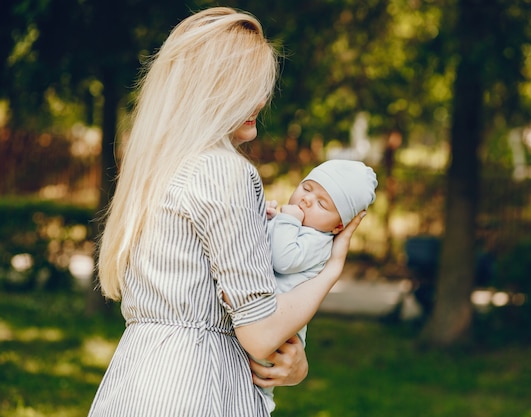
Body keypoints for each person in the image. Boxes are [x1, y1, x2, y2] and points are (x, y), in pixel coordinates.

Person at [88, 7, 365, 417]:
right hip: (198, 388)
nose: (262, 100)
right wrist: (330, 269)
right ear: (213, 92)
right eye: (248, 87)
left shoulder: (156, 168)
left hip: (133, 382)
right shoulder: (224, 171)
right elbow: (260, 333)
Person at [258, 159, 377, 412]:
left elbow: (282, 258)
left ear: (337, 227)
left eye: (322, 204)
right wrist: (268, 220)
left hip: (279, 334)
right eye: (306, 187)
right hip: (266, 323)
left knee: (255, 386)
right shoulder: (298, 226)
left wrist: (285, 220)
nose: (306, 200)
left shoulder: (317, 242)